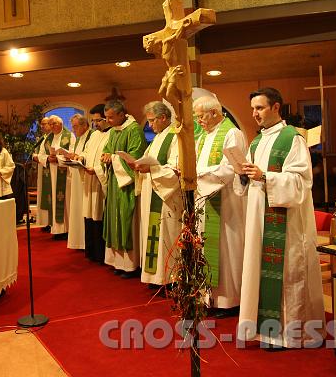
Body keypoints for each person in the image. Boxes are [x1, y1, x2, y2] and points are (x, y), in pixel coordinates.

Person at [234, 87, 324, 348]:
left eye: (260, 108)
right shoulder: (256, 141)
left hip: (286, 221)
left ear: (276, 107)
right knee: (259, 271)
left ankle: (290, 333)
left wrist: (265, 177)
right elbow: (251, 180)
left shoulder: (292, 139)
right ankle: (265, 332)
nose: (255, 114)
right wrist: (243, 174)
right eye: (253, 109)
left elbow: (301, 182)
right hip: (258, 219)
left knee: (287, 273)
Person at [193, 95, 247, 312]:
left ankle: (229, 301)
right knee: (206, 248)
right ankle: (209, 298)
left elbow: (231, 168)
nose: (199, 122)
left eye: (201, 117)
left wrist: (196, 175)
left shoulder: (232, 133)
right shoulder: (203, 137)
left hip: (226, 202)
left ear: (214, 113)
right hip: (205, 198)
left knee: (227, 249)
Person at [137, 101, 182, 287]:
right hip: (152, 193)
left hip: (166, 197)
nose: (149, 125)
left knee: (166, 235)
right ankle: (154, 276)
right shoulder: (157, 138)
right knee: (153, 234)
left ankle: (169, 278)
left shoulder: (174, 137)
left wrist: (152, 170)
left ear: (163, 118)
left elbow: (176, 169)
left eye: (152, 120)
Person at [101, 100, 146, 277]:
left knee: (126, 220)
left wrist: (112, 158)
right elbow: (107, 151)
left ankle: (129, 265)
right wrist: (105, 157)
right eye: (107, 117)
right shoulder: (113, 131)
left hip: (126, 185)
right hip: (114, 183)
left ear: (121, 114)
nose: (108, 121)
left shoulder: (134, 130)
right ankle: (116, 262)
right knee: (114, 219)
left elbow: (135, 158)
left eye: (111, 117)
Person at [81, 104, 111, 263]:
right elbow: (86, 152)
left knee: (98, 213)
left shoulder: (112, 134)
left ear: (106, 118)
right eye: (93, 121)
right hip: (89, 180)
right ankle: (91, 251)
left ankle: (100, 254)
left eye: (98, 120)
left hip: (100, 182)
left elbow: (109, 158)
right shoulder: (93, 135)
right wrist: (80, 158)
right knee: (89, 214)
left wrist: (97, 170)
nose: (95, 124)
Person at [37, 115, 71, 239]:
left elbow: (72, 154)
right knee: (54, 202)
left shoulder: (69, 136)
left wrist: (58, 158)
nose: (51, 127)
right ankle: (56, 229)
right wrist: (47, 158)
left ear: (61, 124)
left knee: (65, 202)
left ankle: (66, 230)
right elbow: (40, 155)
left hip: (64, 174)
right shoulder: (47, 139)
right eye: (50, 124)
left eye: (53, 124)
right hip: (50, 173)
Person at [63, 114, 92, 250]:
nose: (73, 130)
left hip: (85, 179)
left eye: (75, 126)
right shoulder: (80, 138)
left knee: (83, 209)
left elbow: (89, 156)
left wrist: (79, 158)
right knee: (76, 208)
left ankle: (84, 241)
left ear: (84, 125)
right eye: (72, 127)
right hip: (76, 178)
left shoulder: (91, 136)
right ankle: (78, 240)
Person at [32, 117, 51, 228]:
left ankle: (50, 222)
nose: (43, 127)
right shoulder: (42, 138)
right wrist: (36, 157)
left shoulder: (52, 138)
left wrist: (39, 157)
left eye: (45, 124)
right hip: (42, 169)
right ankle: (45, 221)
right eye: (41, 125)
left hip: (50, 169)